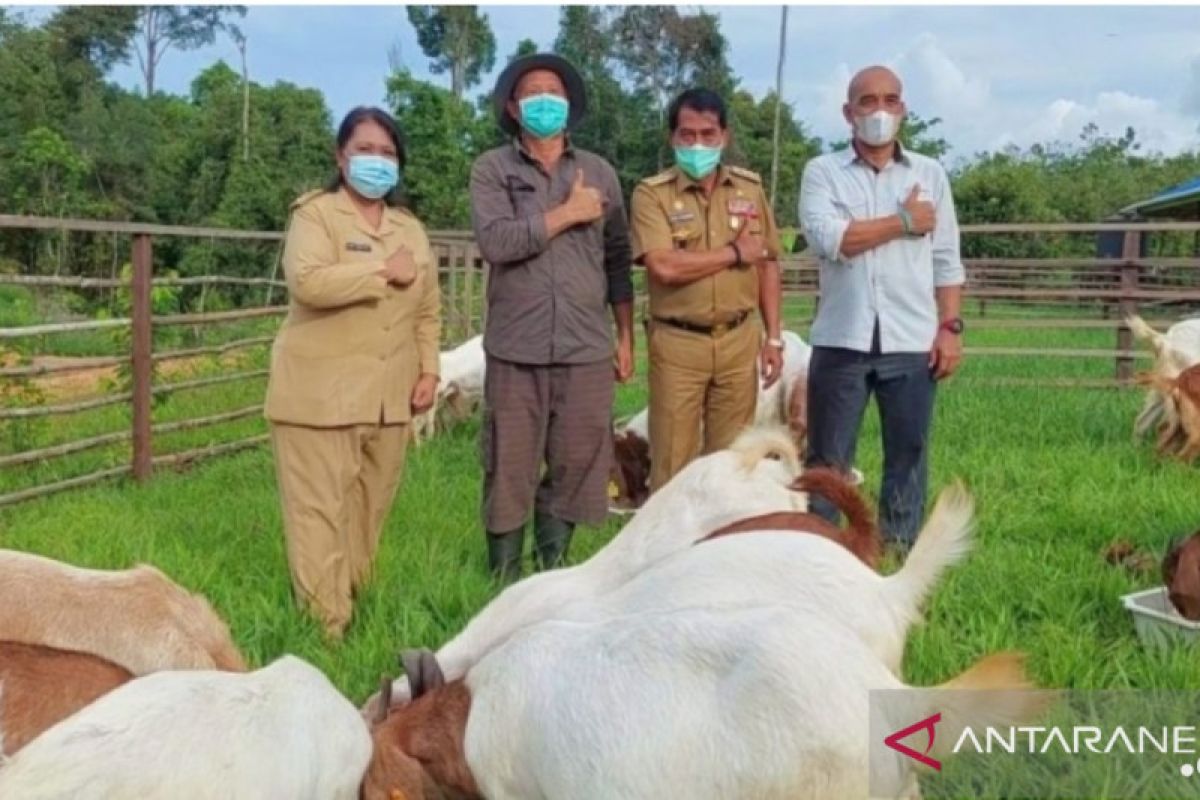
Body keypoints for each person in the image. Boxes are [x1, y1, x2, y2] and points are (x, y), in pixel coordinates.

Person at [265, 106, 441, 638]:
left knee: (367, 514)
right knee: (318, 516)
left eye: (387, 153)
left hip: (390, 400)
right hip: (320, 398)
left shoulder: (408, 227)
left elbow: (428, 309)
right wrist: (382, 271)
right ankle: (326, 633)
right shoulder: (316, 215)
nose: (376, 161)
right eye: (365, 150)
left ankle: (358, 611)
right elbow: (308, 282)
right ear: (341, 157)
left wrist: (429, 371)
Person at [469, 53, 634, 582]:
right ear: (514, 108)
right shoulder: (493, 170)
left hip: (586, 346)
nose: (545, 100)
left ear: (569, 105)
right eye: (533, 92)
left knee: (577, 459)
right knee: (509, 461)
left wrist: (625, 335)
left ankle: (552, 573)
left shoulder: (600, 174)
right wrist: (566, 213)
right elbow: (496, 241)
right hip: (515, 346)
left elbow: (616, 259)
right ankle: (503, 580)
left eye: (554, 92)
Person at [798, 65, 965, 551]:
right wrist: (905, 220)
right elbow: (832, 240)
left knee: (908, 452)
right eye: (867, 101)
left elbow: (946, 258)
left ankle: (899, 546)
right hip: (841, 339)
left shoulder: (929, 174)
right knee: (828, 458)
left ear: (903, 110)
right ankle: (818, 547)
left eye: (890, 100)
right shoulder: (822, 172)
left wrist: (949, 327)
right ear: (849, 113)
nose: (879, 111)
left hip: (911, 339)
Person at [629, 88, 784, 493]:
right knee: (672, 464)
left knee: (733, 464)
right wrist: (734, 252)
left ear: (725, 137)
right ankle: (667, 552)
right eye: (687, 135)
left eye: (708, 134)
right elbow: (663, 265)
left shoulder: (749, 190)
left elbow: (768, 262)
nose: (697, 144)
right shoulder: (652, 194)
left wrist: (775, 338)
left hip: (738, 339)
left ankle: (719, 550)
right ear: (673, 138)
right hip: (679, 342)